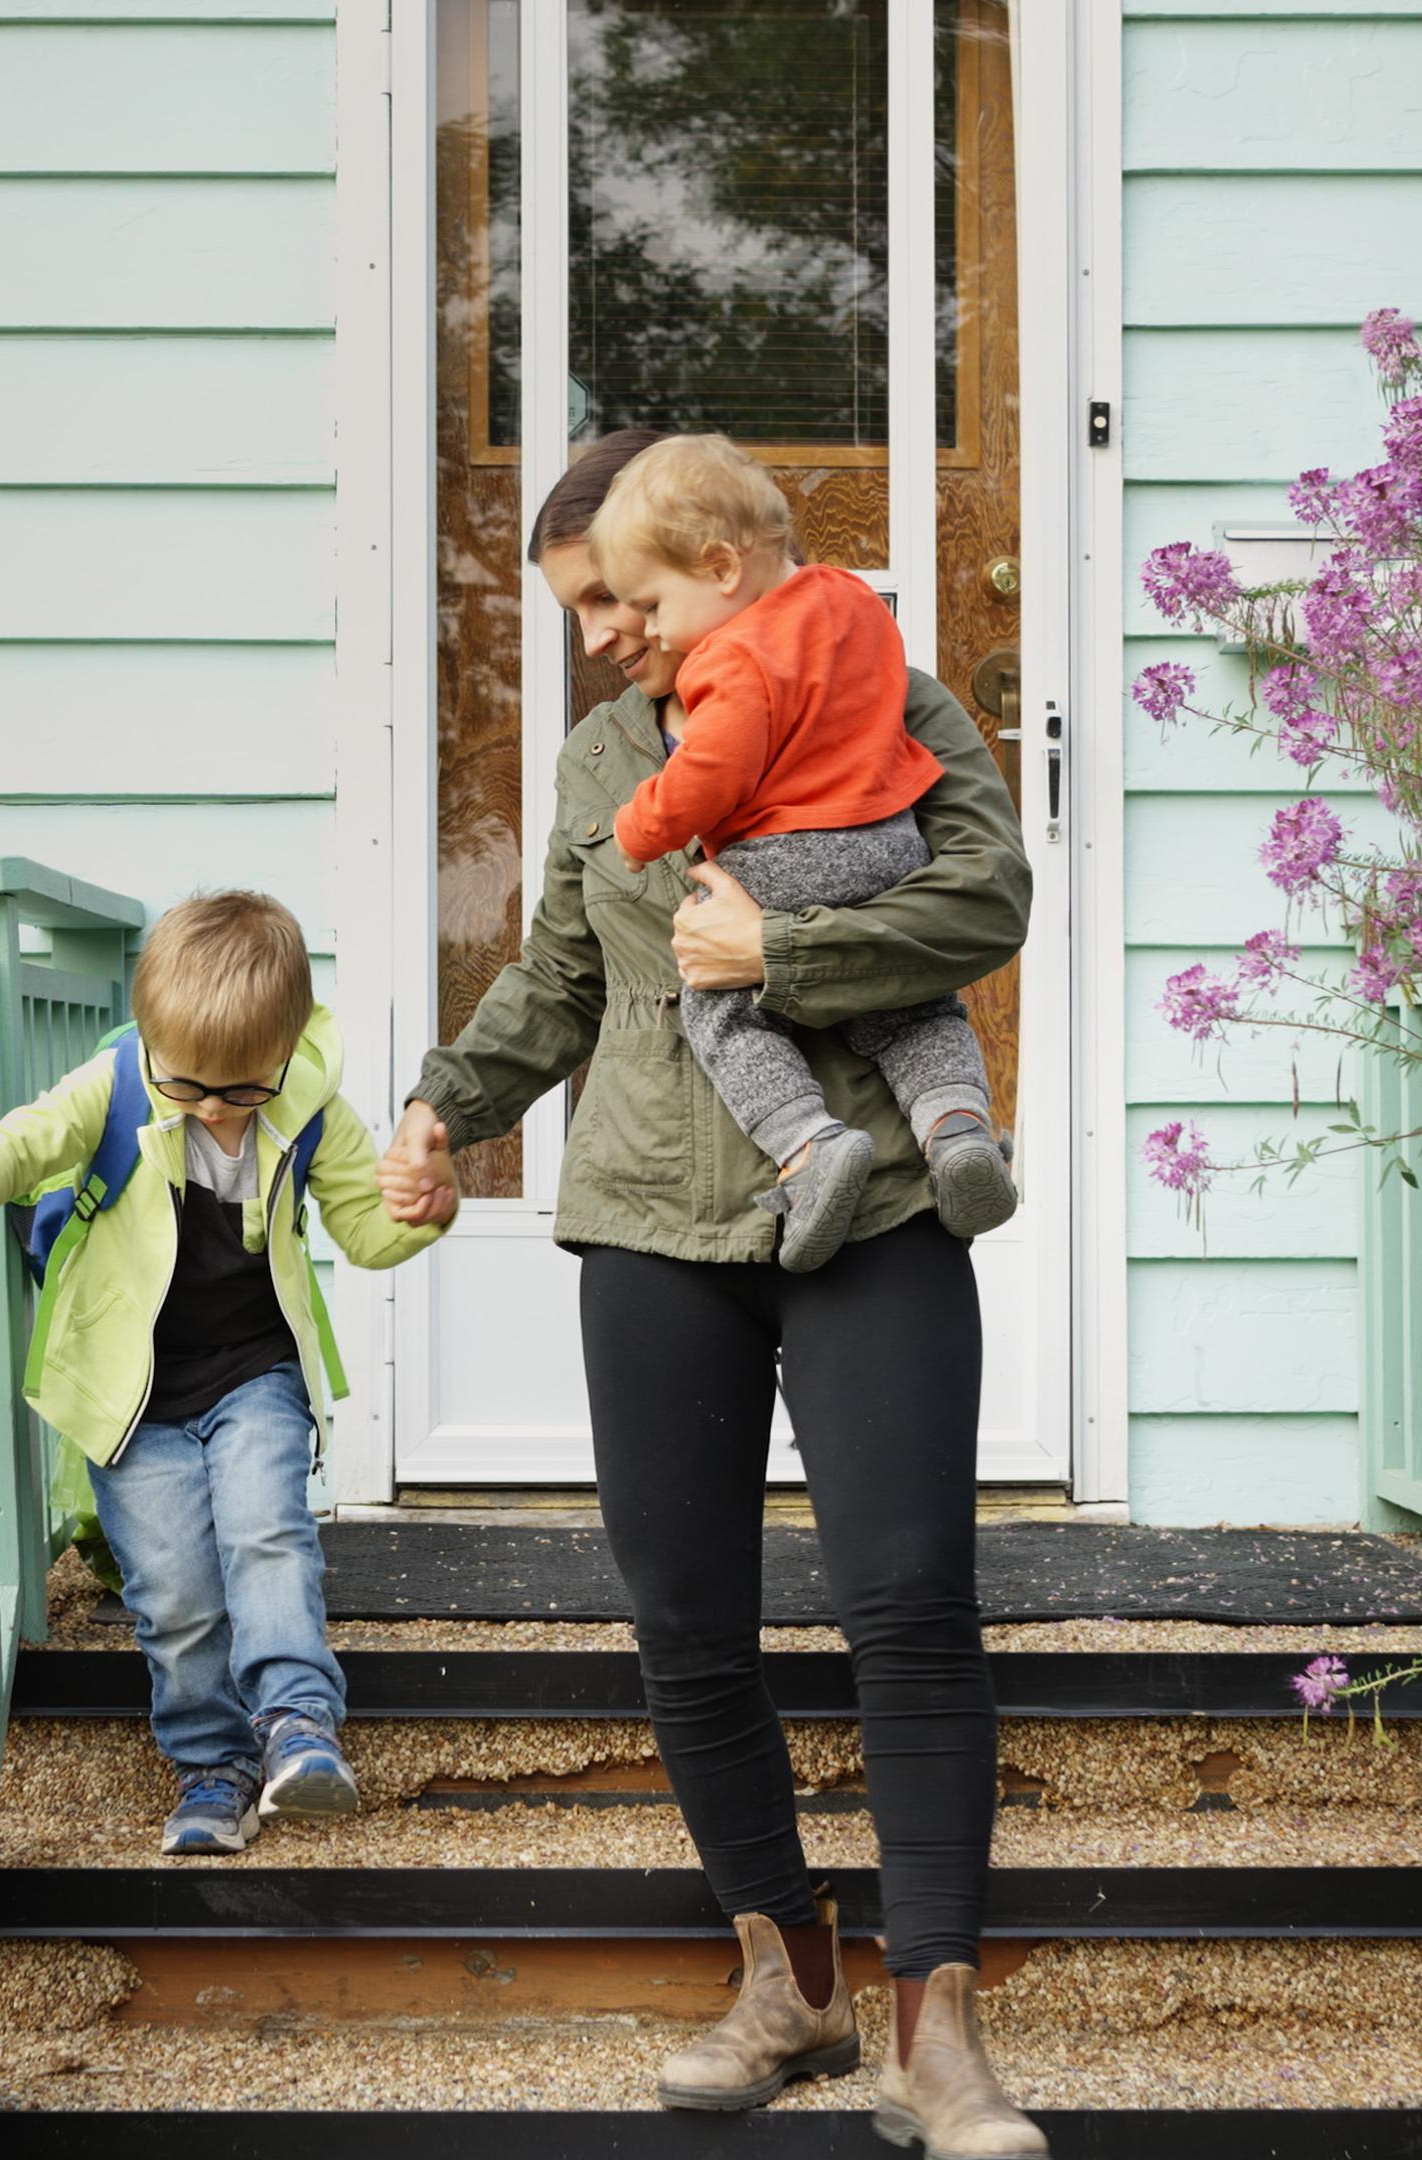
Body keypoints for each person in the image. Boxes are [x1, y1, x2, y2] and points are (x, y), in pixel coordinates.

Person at [379, 431, 1048, 2157]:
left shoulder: (873, 674)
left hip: (875, 1203)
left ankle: (940, 2036)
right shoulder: (608, 751)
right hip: (654, 1219)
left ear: (693, 558)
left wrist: (789, 955)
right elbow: (558, 981)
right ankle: (791, 1982)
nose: (599, 631)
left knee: (905, 1598)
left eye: (613, 594)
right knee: (688, 1627)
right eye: (576, 608)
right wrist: (445, 1108)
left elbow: (988, 893)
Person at [0, 889, 449, 1854]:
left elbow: (367, 1233)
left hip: (256, 1369)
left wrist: (424, 1213)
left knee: (268, 1537)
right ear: (152, 1039)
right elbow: (12, 1149)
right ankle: (212, 1764)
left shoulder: (308, 1110)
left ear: (286, 1051)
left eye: (242, 1090)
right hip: (131, 1392)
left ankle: (298, 1724)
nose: (215, 1108)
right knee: (172, 1590)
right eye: (190, 1087)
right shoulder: (116, 1087)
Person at [584, 432, 1016, 1269]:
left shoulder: (734, 659)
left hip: (789, 855)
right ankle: (958, 1127)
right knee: (914, 1010)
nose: (647, 627)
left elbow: (713, 772)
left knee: (718, 1004)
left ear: (719, 568)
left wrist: (641, 827)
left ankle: (810, 1148)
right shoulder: (853, 603)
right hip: (891, 844)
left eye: (651, 605)